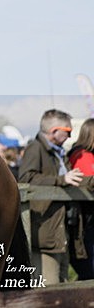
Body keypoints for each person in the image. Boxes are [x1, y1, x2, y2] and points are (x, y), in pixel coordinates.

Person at [18, 109, 84, 284]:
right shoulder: (35, 148)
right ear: (55, 130)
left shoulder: (58, 152)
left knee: (62, 286)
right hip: (44, 231)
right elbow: (25, 178)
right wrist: (61, 179)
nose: (69, 137)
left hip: (59, 231)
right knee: (49, 289)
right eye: (68, 131)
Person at [69, 118, 94, 279]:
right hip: (85, 217)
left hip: (88, 217)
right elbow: (89, 180)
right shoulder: (82, 155)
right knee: (89, 269)